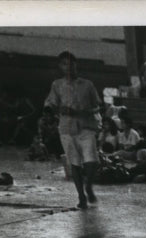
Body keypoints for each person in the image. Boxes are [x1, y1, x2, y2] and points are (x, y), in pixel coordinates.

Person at [44, 51, 101, 209]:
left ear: (76, 65)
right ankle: (81, 195)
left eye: (71, 64)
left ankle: (88, 186)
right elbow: (51, 103)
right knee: (74, 163)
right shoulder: (57, 85)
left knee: (92, 161)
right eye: (64, 64)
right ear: (60, 67)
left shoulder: (87, 85)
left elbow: (97, 106)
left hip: (86, 126)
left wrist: (83, 112)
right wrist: (51, 110)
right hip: (67, 128)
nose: (68, 67)